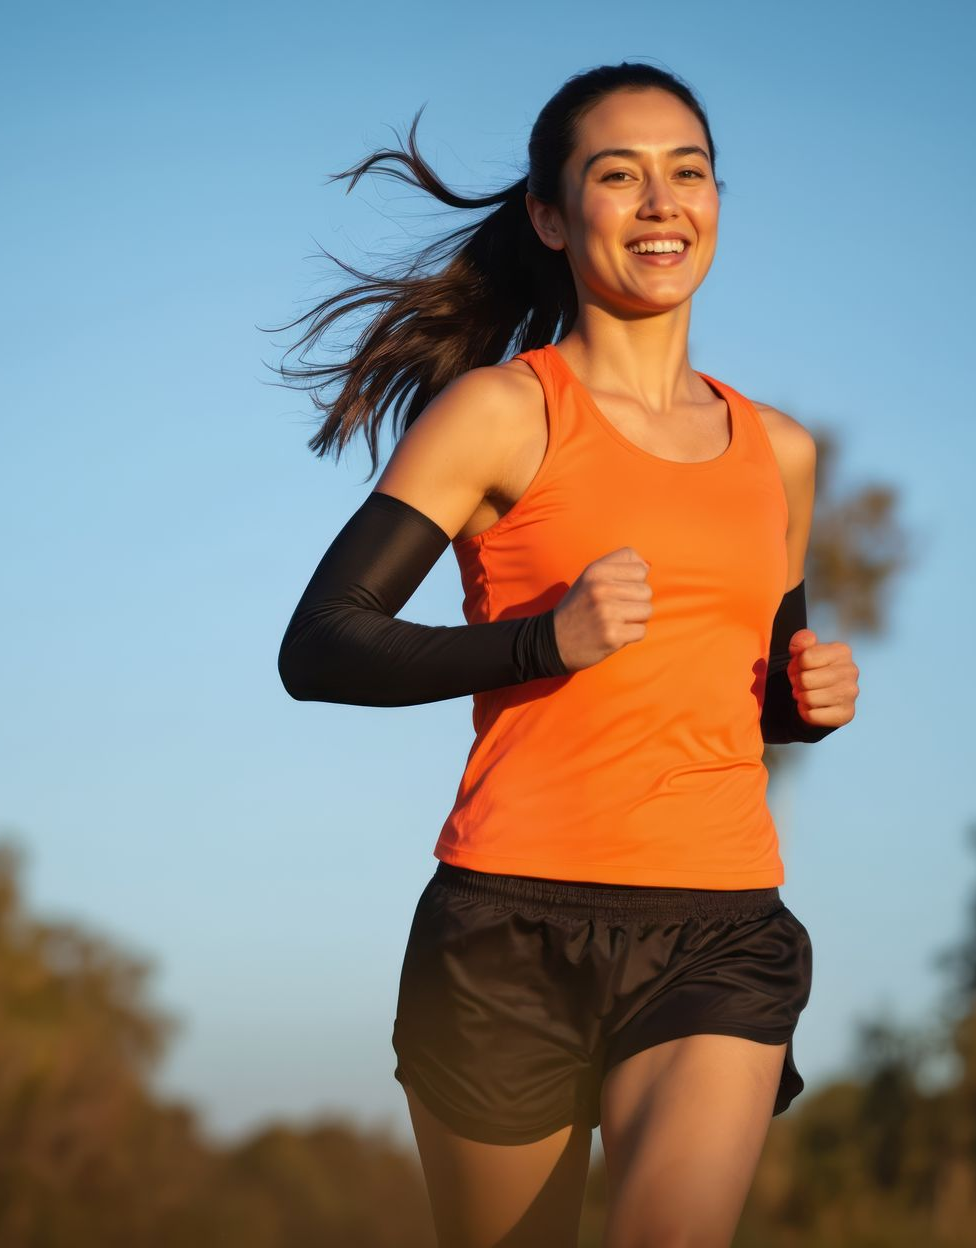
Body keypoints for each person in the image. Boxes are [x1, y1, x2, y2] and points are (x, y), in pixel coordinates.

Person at [273, 61, 859, 1248]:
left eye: (687, 173)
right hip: (504, 930)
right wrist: (544, 640)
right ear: (550, 214)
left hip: (717, 927)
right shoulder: (501, 414)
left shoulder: (781, 453)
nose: (661, 202)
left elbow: (745, 694)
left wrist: (806, 704)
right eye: (619, 175)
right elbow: (321, 644)